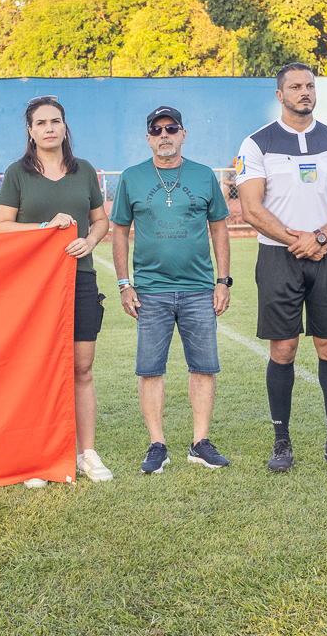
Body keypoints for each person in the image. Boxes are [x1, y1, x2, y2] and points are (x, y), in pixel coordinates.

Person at [235, 62, 327, 472]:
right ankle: (282, 442)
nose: (304, 92)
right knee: (284, 348)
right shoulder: (256, 143)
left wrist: (321, 237)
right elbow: (251, 208)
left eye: (309, 85)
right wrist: (299, 240)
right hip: (279, 257)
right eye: (295, 87)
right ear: (280, 95)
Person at [0, 96, 112, 486]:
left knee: (82, 369)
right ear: (30, 131)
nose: (49, 128)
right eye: (40, 123)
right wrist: (45, 229)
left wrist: (90, 241)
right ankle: (38, 458)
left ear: (64, 126)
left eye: (55, 121)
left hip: (80, 280)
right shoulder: (18, 173)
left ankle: (87, 453)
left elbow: (100, 220)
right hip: (34, 286)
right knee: (37, 369)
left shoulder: (84, 170)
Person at [111, 106, 233, 474]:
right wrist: (124, 284)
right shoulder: (132, 178)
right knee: (150, 370)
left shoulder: (203, 175)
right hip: (150, 291)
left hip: (199, 288)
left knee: (204, 367)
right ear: (148, 138)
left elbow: (219, 228)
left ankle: (200, 443)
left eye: (171, 128)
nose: (164, 134)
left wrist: (223, 281)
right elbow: (119, 232)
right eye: (156, 129)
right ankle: (157, 444)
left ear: (183, 134)